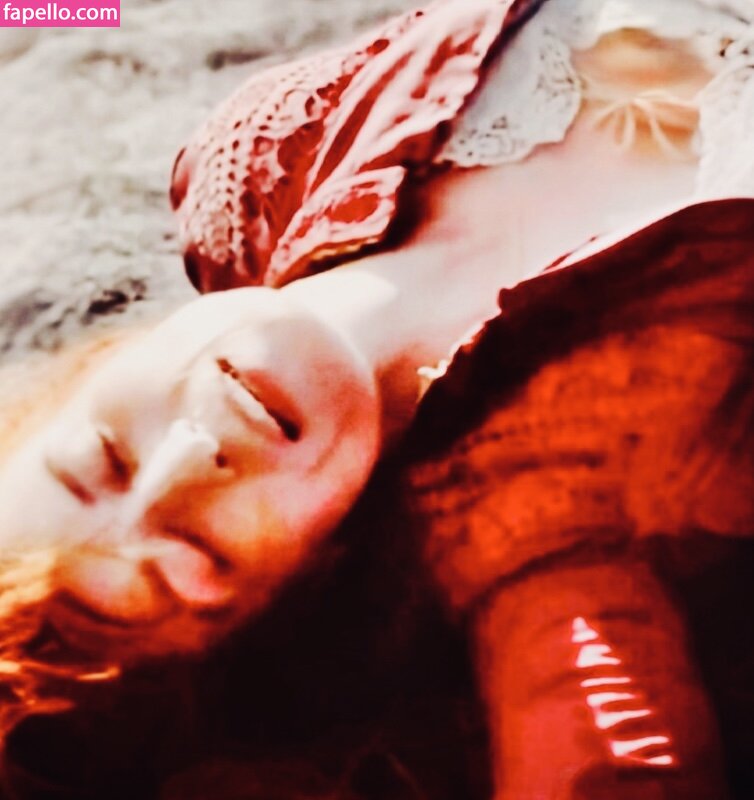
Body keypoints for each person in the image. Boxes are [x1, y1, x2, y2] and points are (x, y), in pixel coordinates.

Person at [0, 0, 752, 796]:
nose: (191, 457)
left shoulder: (253, 157)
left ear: (87, 369)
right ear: (308, 583)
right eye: (202, 553)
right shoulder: (547, 506)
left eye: (101, 458)